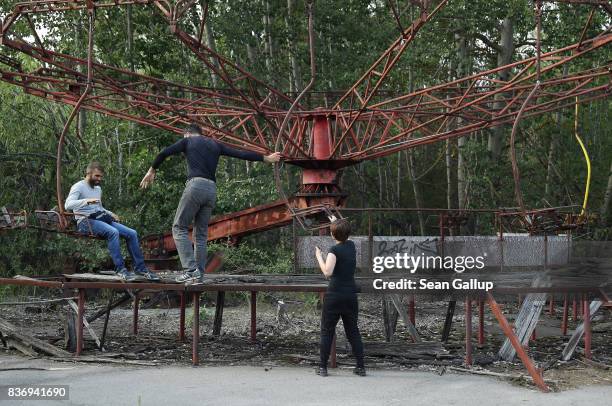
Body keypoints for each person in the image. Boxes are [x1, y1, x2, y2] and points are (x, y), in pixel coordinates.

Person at [139, 123, 281, 283]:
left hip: (195, 186)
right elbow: (240, 153)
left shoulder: (187, 141)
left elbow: (164, 153)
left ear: (187, 134)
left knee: (179, 227)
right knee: (200, 234)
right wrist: (266, 158)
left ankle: (190, 269)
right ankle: (198, 273)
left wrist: (152, 170)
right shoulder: (215, 144)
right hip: (211, 190)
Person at [65, 161, 160, 282]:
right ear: (88, 173)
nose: (99, 179)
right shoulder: (78, 186)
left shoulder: (98, 189)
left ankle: (140, 268)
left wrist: (110, 213)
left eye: (101, 176)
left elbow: (98, 207)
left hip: (99, 217)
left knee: (132, 233)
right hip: (85, 221)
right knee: (113, 232)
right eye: (97, 176)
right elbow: (68, 204)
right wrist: (86, 201)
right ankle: (120, 269)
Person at [315, 218, 365, 377]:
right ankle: (361, 367)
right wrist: (337, 222)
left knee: (327, 331)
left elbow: (327, 272)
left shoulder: (333, 250)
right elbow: (345, 234)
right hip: (350, 294)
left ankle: (323, 368)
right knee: (353, 331)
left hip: (335, 295)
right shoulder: (351, 246)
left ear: (332, 234)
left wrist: (319, 257)